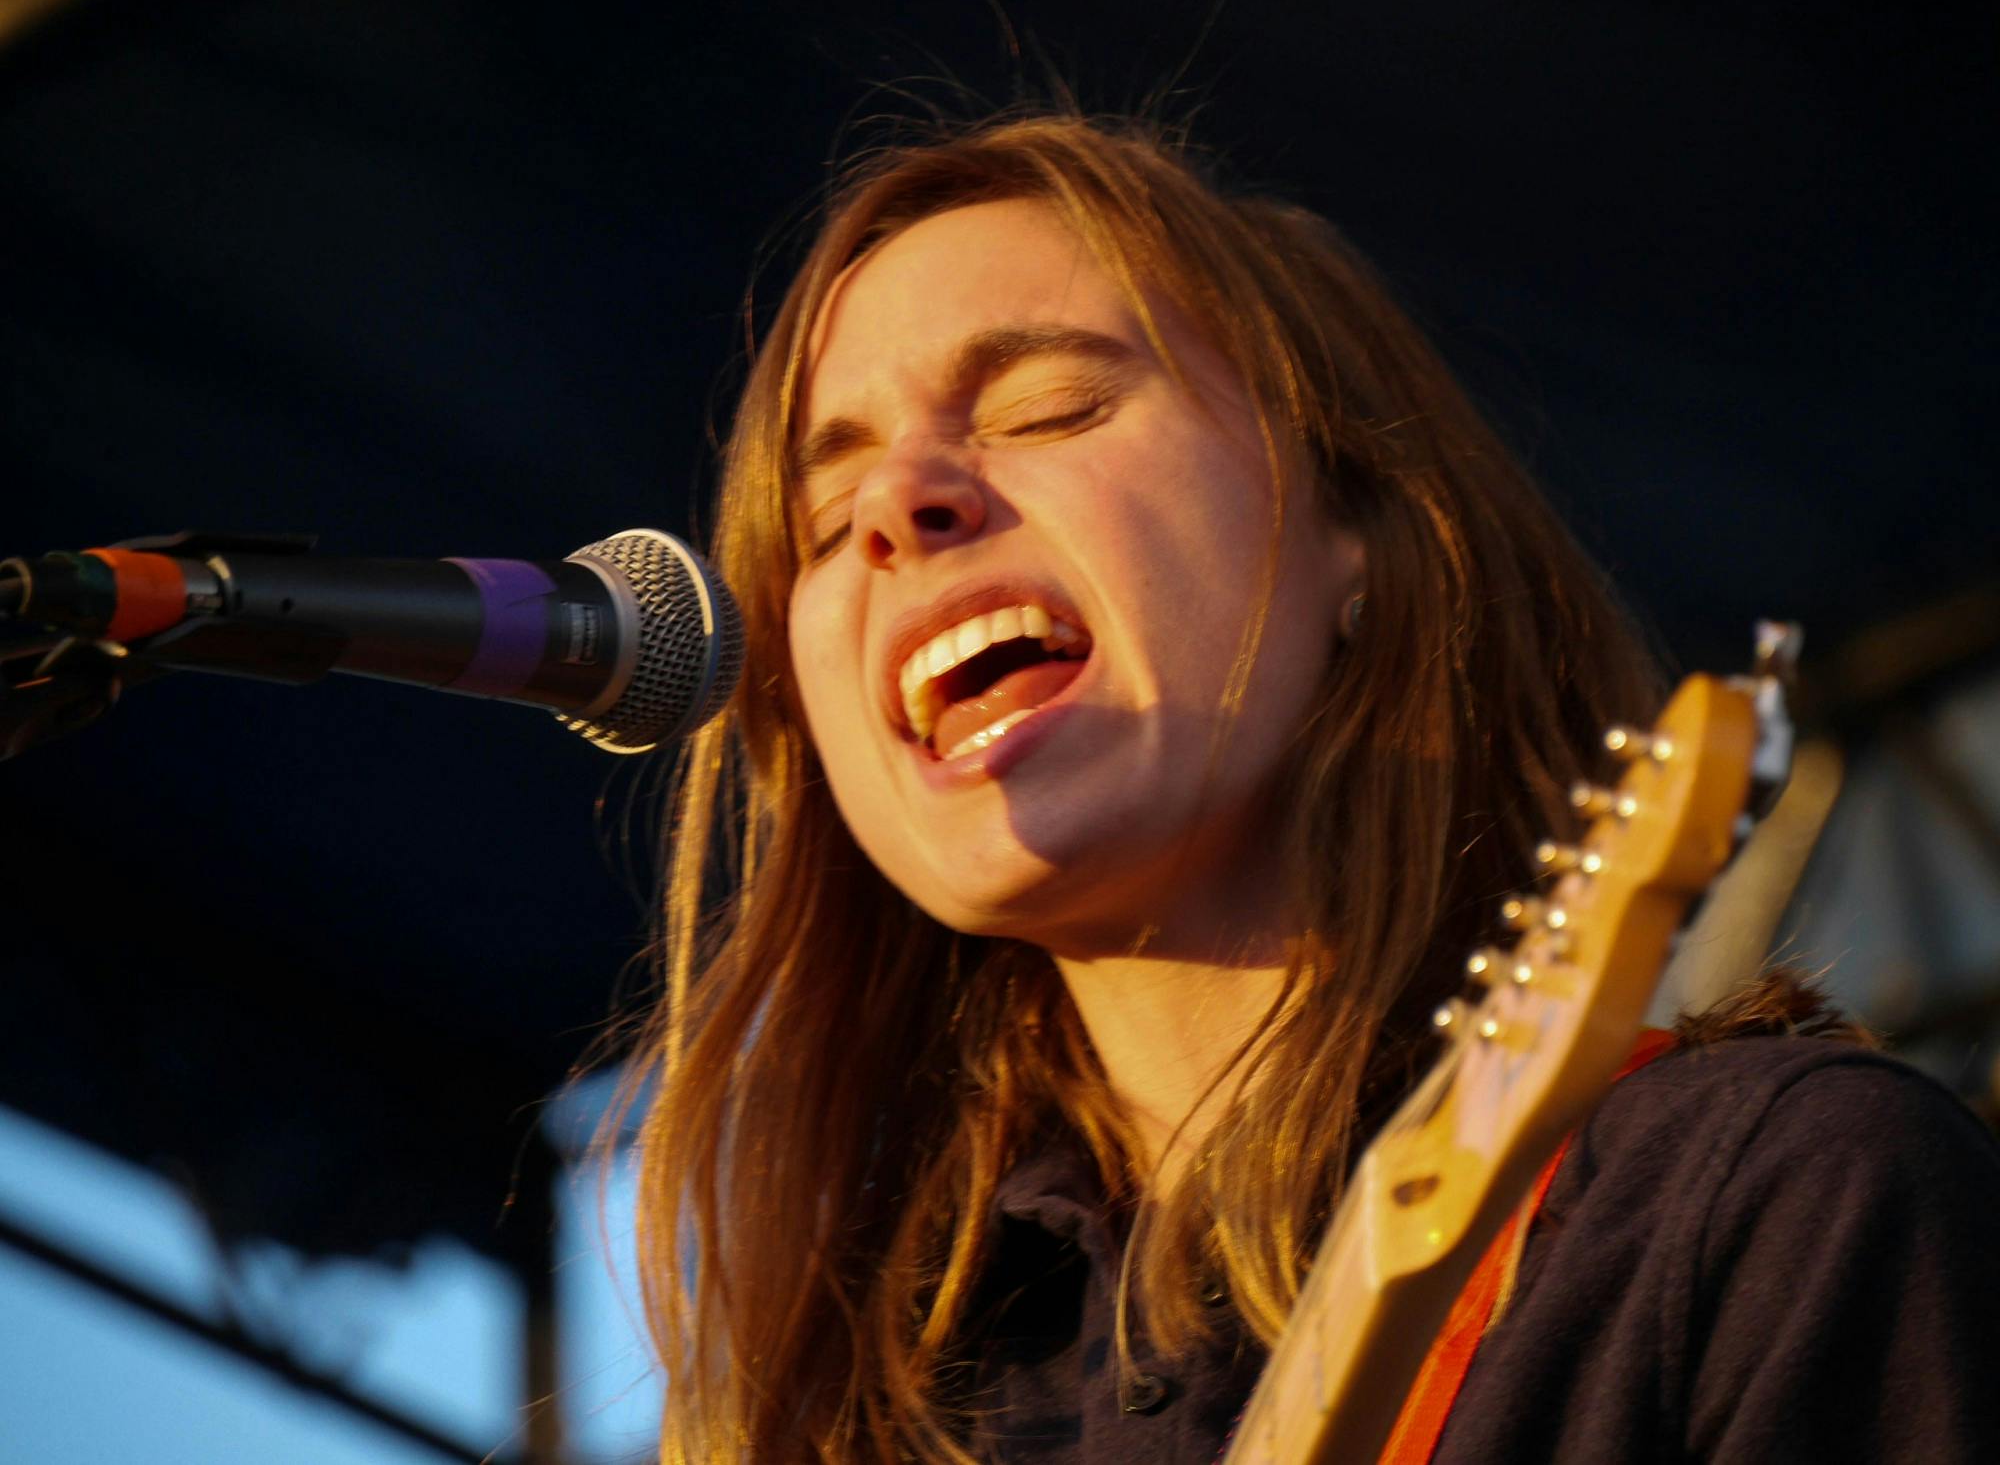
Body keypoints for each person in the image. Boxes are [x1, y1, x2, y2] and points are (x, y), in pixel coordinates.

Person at [615, 112, 2000, 1462]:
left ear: (1353, 528)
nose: (897, 504)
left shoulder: (1764, 1206)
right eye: (816, 521)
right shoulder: (862, 1418)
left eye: (1051, 405)